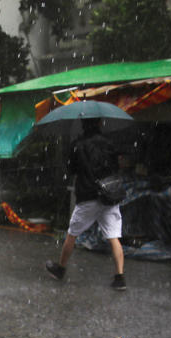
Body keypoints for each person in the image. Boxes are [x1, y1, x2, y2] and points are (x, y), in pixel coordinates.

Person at [45, 118, 126, 291]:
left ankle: (60, 269)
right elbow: (116, 167)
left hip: (88, 195)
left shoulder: (78, 144)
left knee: (72, 233)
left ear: (83, 125)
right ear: (100, 124)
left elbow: (72, 169)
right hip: (109, 194)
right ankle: (119, 277)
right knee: (113, 237)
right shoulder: (109, 143)